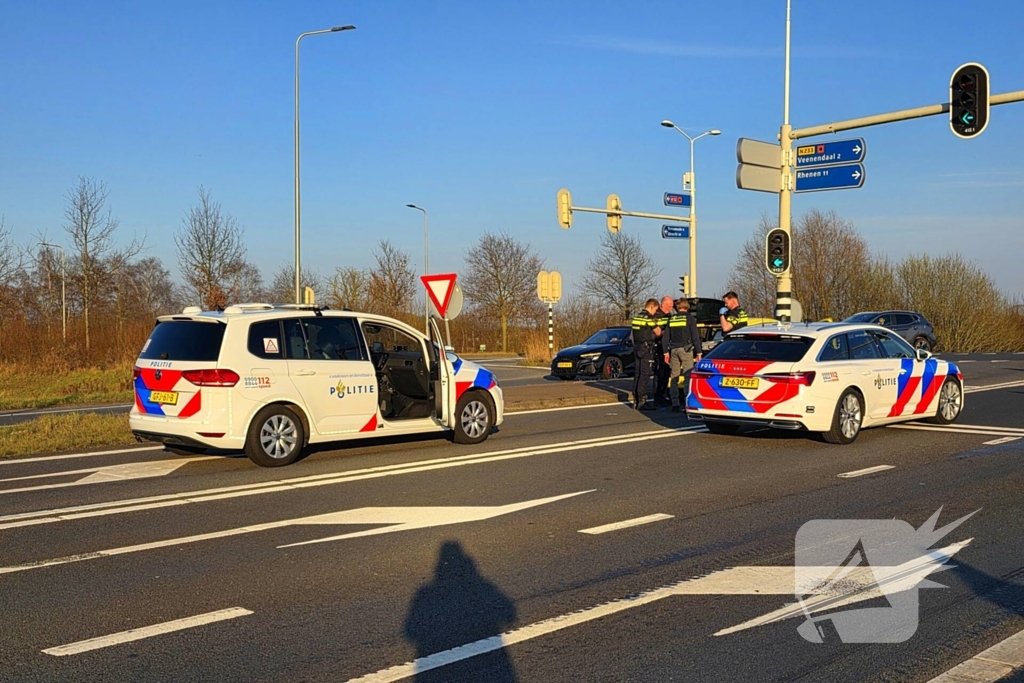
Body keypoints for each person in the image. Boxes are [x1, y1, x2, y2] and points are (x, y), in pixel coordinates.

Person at [664, 298, 702, 412]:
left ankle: (675, 404)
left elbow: (665, 337)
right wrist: (699, 352)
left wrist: (665, 352)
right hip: (686, 350)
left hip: (673, 350)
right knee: (687, 376)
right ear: (687, 307)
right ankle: (686, 403)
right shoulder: (690, 318)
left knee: (674, 377)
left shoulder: (672, 319)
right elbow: (695, 336)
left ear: (677, 307)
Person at [631, 298, 662, 411]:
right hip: (646, 348)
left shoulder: (636, 317)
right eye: (655, 310)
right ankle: (642, 402)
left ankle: (636, 400)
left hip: (637, 347)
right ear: (652, 306)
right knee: (645, 375)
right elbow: (658, 332)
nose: (655, 313)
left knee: (637, 374)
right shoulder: (649, 318)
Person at [654, 295, 675, 405]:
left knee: (667, 372)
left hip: (667, 346)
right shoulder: (657, 315)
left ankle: (665, 393)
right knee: (660, 372)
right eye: (669, 306)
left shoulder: (669, 315)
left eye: (672, 306)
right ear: (663, 305)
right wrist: (666, 334)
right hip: (659, 347)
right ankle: (658, 396)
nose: (671, 308)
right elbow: (656, 332)